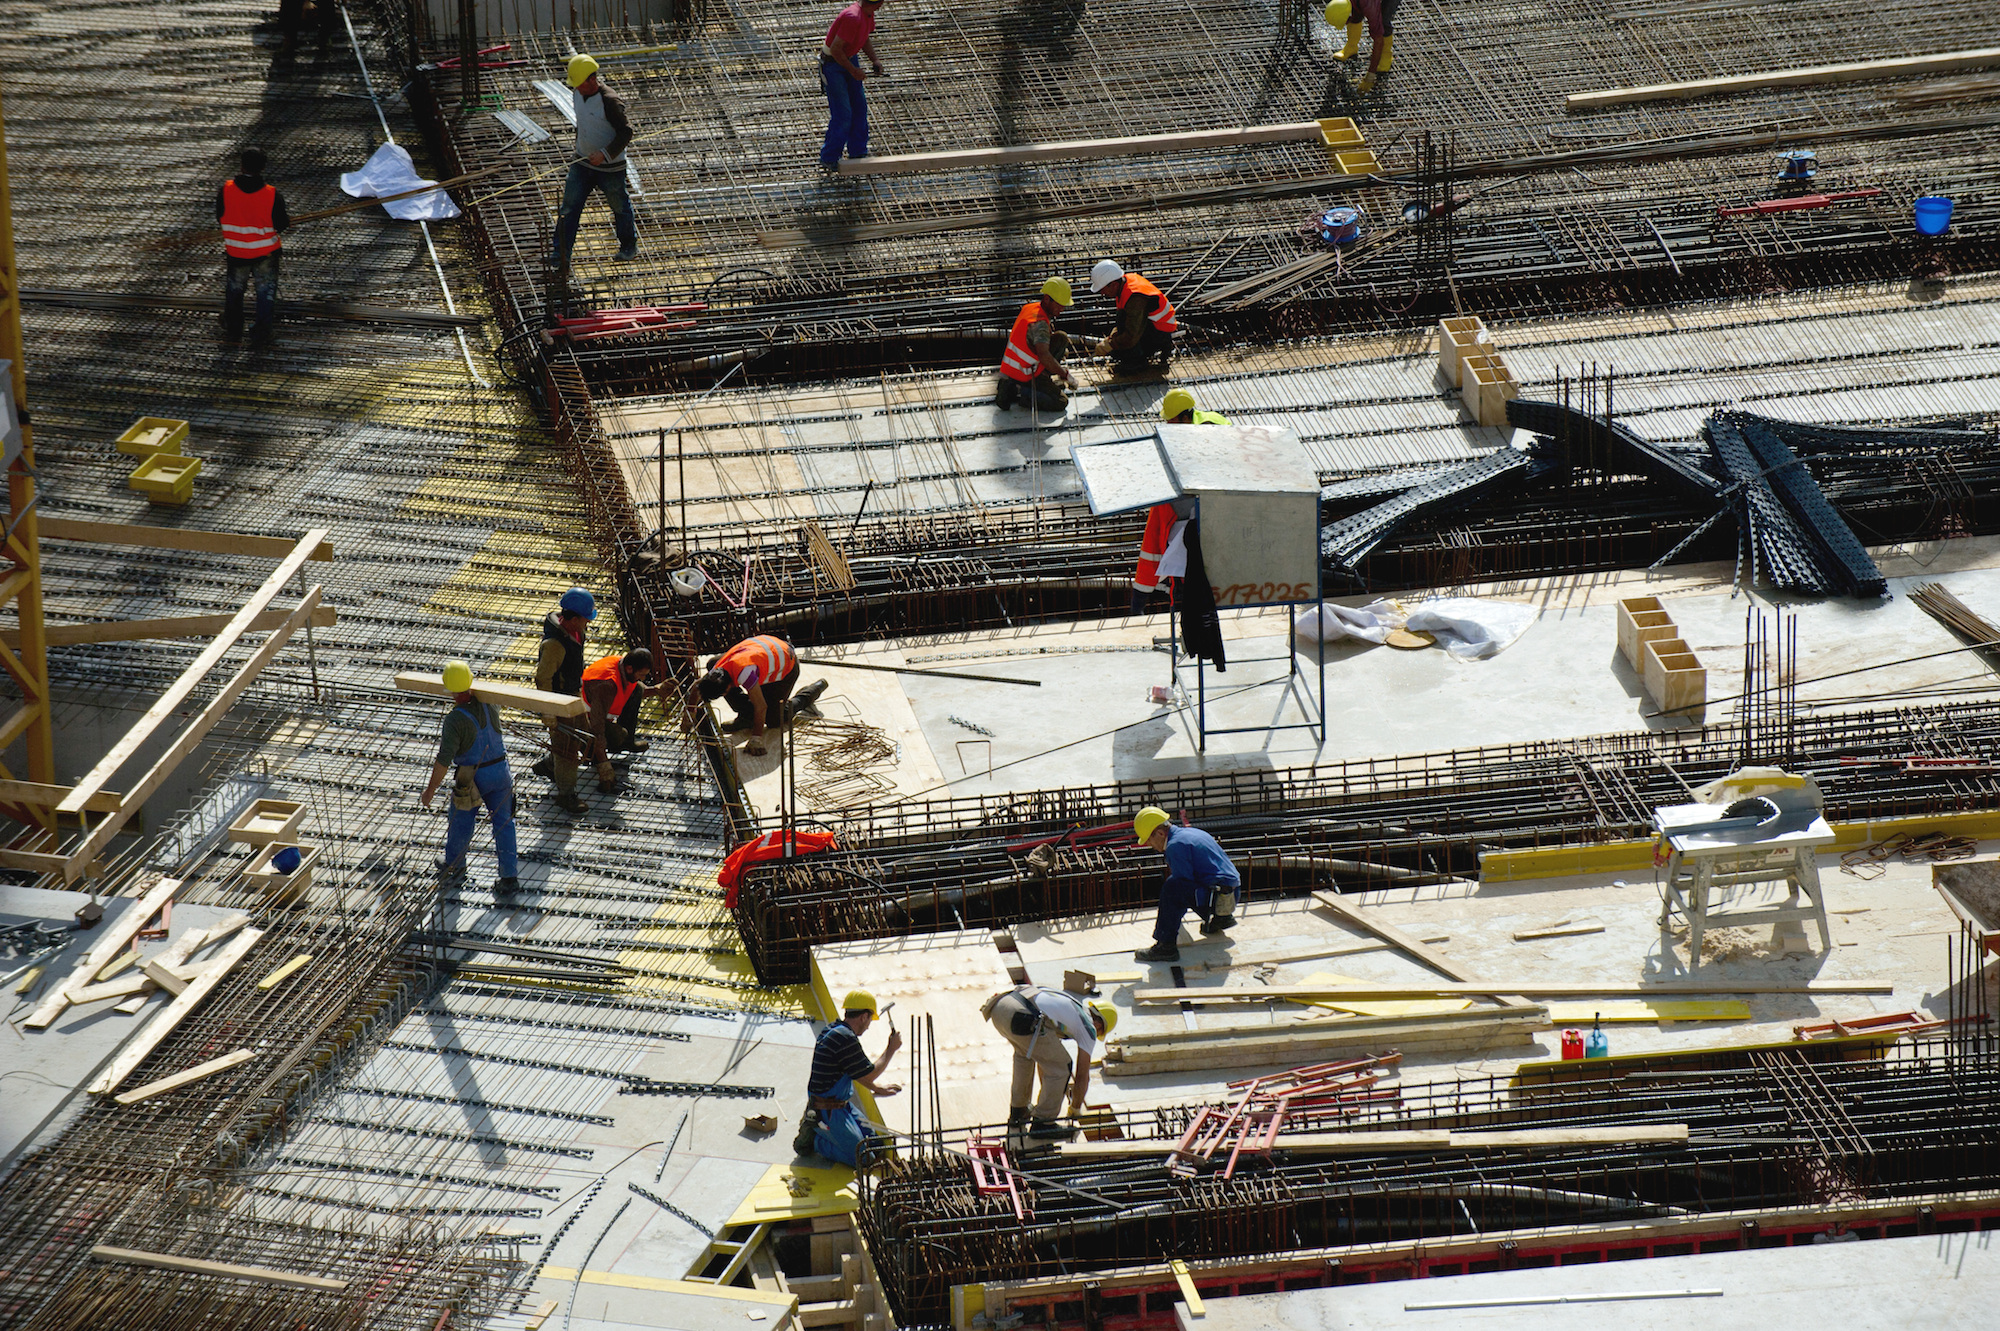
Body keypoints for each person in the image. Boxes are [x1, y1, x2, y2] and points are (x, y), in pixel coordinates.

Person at [419, 660, 520, 896]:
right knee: (504, 824)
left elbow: (444, 760)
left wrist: (430, 791)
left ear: (451, 691)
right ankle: (509, 878)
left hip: (473, 777)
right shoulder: (489, 703)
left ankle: (454, 867)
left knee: (461, 820)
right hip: (501, 772)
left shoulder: (455, 720)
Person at [1132, 390, 1231, 613]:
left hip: (1212, 505)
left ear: (1186, 417)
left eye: (1172, 420)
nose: (1167, 424)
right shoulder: (1209, 420)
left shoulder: (1202, 434)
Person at [981, 983, 1116, 1143]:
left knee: (1025, 1054)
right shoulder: (1088, 1027)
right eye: (1100, 1032)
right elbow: (1082, 1076)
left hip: (1001, 1007)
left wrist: (1049, 1092)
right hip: (1023, 1016)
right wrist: (1075, 1108)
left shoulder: (1069, 1007)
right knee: (1063, 1067)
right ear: (1099, 1024)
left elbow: (1043, 1057)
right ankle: (1043, 1124)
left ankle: (1019, 1111)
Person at [549, 55, 638, 274]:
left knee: (619, 205)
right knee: (568, 208)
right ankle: (560, 256)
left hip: (610, 168)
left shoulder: (610, 101)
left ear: (591, 80)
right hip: (582, 163)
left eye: (579, 83)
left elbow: (626, 132)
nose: (576, 87)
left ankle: (629, 245)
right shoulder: (577, 94)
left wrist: (605, 153)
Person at [794, 989, 902, 1166]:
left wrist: (878, 1089)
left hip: (841, 1105)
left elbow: (857, 1072)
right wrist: (891, 1048)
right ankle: (814, 1139)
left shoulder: (835, 1029)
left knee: (874, 1145)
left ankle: (830, 1135)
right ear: (863, 1017)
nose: (868, 1026)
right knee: (864, 1158)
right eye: (869, 1021)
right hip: (827, 1110)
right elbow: (869, 1073)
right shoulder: (845, 1039)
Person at [1132, 806, 1239, 962]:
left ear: (1160, 833)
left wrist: (1170, 919)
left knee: (1172, 887)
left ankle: (1165, 947)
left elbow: (1182, 885)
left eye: (1149, 840)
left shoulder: (1175, 846)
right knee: (1190, 883)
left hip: (1216, 898)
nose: (1150, 845)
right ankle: (1222, 918)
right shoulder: (1192, 833)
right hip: (1232, 894)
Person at [697, 634, 827, 758]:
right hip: (765, 654)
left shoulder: (745, 673)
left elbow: (761, 706)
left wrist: (756, 738)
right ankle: (747, 716)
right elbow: (698, 686)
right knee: (711, 663)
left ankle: (812, 691)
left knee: (774, 719)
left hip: (786, 665)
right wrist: (689, 713)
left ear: (726, 688)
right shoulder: (716, 669)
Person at [529, 588, 594, 814]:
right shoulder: (554, 645)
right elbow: (543, 678)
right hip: (557, 702)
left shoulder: (576, 632)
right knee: (567, 747)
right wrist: (549, 712)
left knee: (582, 735)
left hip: (571, 695)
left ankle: (549, 765)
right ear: (573, 618)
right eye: (585, 619)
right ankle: (566, 795)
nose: (588, 623)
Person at [217, 147, 290, 347]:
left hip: (236, 252)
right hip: (265, 253)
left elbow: (219, 216)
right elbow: (281, 224)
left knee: (234, 291)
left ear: (241, 165)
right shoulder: (272, 195)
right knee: (265, 293)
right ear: (263, 167)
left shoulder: (226, 190)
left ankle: (233, 328)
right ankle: (262, 332)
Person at [820, 0, 886, 172]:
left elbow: (864, 38)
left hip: (848, 58)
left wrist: (874, 59)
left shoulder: (867, 14)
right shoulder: (853, 17)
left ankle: (858, 152)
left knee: (859, 107)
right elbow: (836, 49)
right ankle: (830, 158)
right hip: (833, 65)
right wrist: (852, 70)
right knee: (843, 114)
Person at [581, 648, 657, 792]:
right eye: (641, 674)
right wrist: (604, 766)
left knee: (638, 688)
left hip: (599, 711)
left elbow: (631, 690)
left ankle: (627, 743)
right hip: (583, 721)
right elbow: (597, 728)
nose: (642, 678)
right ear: (629, 669)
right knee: (618, 735)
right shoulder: (607, 685)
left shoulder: (622, 664)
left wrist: (656, 690)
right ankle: (591, 754)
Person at [997, 279, 1078, 411]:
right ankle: (1023, 393)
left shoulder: (1031, 308)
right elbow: (1044, 356)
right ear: (1047, 299)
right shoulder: (1040, 324)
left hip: (1012, 368)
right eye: (1059, 305)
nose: (1062, 309)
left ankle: (1015, 384)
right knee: (1061, 402)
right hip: (1025, 373)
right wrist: (1065, 375)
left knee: (1061, 338)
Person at [1088, 260, 1176, 376]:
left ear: (1113, 284)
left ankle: (1138, 362)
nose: (1102, 293)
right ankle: (1136, 356)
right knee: (1117, 344)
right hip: (1150, 325)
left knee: (1118, 351)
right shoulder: (1125, 284)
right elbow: (1126, 321)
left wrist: (1111, 344)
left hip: (1159, 333)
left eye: (1103, 289)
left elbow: (1131, 335)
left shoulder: (1135, 298)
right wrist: (1111, 338)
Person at [1327, 0, 1394, 93]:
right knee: (1356, 12)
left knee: (1383, 22)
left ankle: (1385, 58)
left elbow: (1378, 40)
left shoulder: (1370, 7)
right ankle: (1351, 47)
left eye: (1346, 22)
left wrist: (1370, 76)